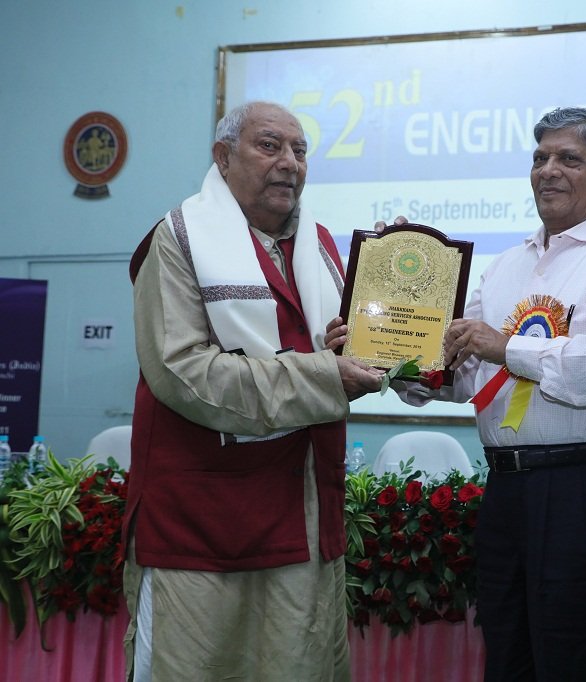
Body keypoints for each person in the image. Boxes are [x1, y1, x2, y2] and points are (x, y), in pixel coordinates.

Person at [333, 107, 586, 680]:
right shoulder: (505, 266)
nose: (548, 170)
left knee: (584, 663)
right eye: (540, 157)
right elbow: (465, 374)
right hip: (508, 490)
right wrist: (388, 348)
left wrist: (509, 348)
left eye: (569, 158)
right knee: (509, 659)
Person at [122, 101, 383, 682]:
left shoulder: (319, 246)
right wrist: (326, 376)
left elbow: (338, 355)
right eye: (270, 146)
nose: (289, 162)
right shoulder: (179, 239)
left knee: (300, 665)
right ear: (222, 156)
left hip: (305, 513)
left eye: (300, 150)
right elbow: (183, 373)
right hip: (204, 522)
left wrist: (381, 329)